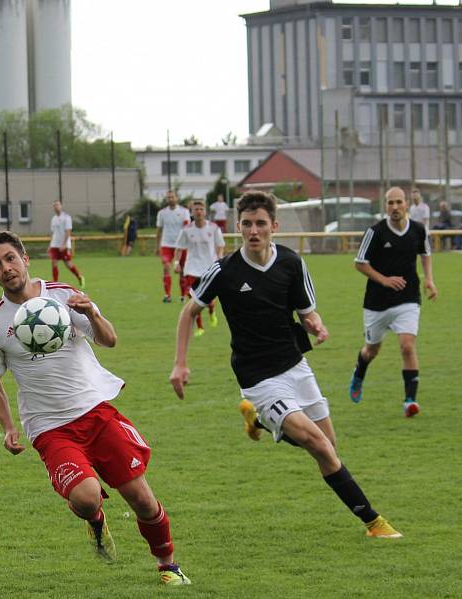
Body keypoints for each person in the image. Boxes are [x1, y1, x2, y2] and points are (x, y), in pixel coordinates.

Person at [169, 190, 402, 540]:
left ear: (274, 226)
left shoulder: (292, 263)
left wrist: (317, 324)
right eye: (246, 224)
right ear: (237, 226)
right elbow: (189, 312)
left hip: (295, 365)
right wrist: (180, 364)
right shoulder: (225, 269)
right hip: (258, 378)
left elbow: (307, 312)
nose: (253, 230)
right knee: (318, 445)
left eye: (260, 223)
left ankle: (261, 422)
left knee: (328, 446)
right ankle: (374, 522)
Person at [0, 231, 190, 586]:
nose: (6, 268)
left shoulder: (64, 296)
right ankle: (94, 520)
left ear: (26, 259)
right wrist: (9, 428)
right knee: (88, 498)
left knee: (142, 499)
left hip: (96, 412)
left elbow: (109, 340)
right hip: (49, 427)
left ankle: (168, 565)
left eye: (10, 259)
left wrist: (91, 311)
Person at [348, 187, 437, 417]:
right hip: (377, 302)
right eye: (390, 203)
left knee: (407, 345)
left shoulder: (418, 230)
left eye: (399, 202)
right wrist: (384, 280)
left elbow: (425, 254)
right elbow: (360, 263)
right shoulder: (375, 232)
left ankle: (410, 401)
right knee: (371, 351)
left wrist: (429, 279)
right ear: (385, 206)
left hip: (408, 298)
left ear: (406, 203)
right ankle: (359, 372)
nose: (395, 207)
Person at [173, 199, 225, 337]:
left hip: (209, 267)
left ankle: (212, 311)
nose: (199, 212)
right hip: (192, 268)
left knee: (210, 301)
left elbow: (220, 245)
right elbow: (179, 248)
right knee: (194, 299)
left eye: (201, 209)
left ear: (205, 211)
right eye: (196, 209)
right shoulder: (186, 230)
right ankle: (200, 327)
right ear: (191, 212)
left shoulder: (213, 228)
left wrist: (219, 258)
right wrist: (177, 262)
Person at [156, 191, 190, 303]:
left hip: (180, 246)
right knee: (166, 267)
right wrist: (157, 246)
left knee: (182, 270)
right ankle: (167, 295)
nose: (170, 199)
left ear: (177, 198)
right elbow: (159, 230)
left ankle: (183, 295)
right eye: (168, 197)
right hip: (166, 245)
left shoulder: (184, 212)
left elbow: (187, 228)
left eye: (172, 197)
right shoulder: (162, 213)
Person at [48, 200, 85, 288]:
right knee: (54, 262)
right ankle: (55, 284)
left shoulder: (66, 218)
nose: (56, 207)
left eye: (57, 205)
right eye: (54, 205)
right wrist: (50, 244)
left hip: (64, 245)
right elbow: (53, 233)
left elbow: (68, 231)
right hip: (54, 245)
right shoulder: (53, 219)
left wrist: (64, 244)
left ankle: (79, 276)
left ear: (61, 206)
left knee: (68, 263)